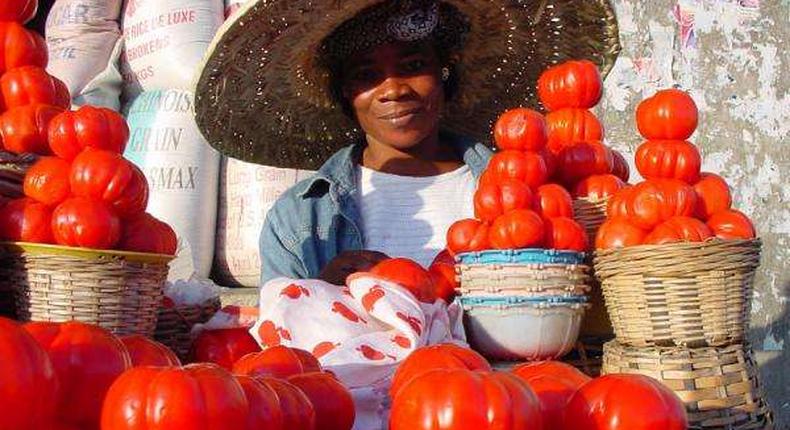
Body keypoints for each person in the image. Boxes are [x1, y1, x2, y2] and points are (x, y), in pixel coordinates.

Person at [193, 0, 620, 286]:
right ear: (345, 92)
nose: (392, 89)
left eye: (414, 66)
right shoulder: (302, 218)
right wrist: (320, 292)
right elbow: (281, 353)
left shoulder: (527, 192)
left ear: (444, 73)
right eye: (365, 74)